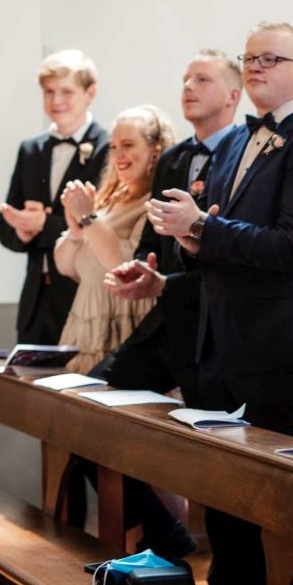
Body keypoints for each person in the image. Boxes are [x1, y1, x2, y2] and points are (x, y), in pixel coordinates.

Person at [119, 21, 293, 585]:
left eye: (271, 58)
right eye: (250, 58)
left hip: (280, 350)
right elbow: (225, 247)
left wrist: (200, 228)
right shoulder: (237, 143)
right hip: (220, 345)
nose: (256, 67)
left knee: (278, 504)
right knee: (222, 493)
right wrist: (178, 264)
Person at [96, 50, 240, 405]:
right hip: (167, 320)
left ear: (233, 96)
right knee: (94, 396)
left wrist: (168, 283)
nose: (188, 86)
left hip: (216, 326)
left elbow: (233, 246)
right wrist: (143, 266)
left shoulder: (243, 156)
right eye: (186, 80)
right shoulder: (174, 158)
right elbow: (152, 237)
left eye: (202, 79)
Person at [55, 105, 176, 374]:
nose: (118, 155)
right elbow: (67, 267)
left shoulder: (157, 202)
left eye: (128, 145)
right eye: (113, 146)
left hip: (124, 323)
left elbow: (125, 265)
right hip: (87, 323)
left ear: (155, 150)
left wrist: (87, 217)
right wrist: (76, 230)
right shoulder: (110, 199)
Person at [0, 50, 108, 345]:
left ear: (90, 93)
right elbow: (3, 230)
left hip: (82, 297)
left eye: (67, 91)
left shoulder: (108, 149)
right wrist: (20, 228)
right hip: (35, 300)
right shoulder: (30, 150)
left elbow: (104, 229)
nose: (56, 101)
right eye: (49, 92)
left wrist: (44, 224)